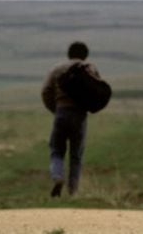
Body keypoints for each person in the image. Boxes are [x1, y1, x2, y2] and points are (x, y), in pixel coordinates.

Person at [41, 41, 99, 197]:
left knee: (56, 150)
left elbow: (46, 91)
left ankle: (57, 176)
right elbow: (98, 91)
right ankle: (73, 191)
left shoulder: (57, 69)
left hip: (61, 112)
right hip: (80, 115)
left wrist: (56, 108)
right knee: (76, 155)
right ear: (85, 55)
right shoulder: (89, 69)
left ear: (69, 54)